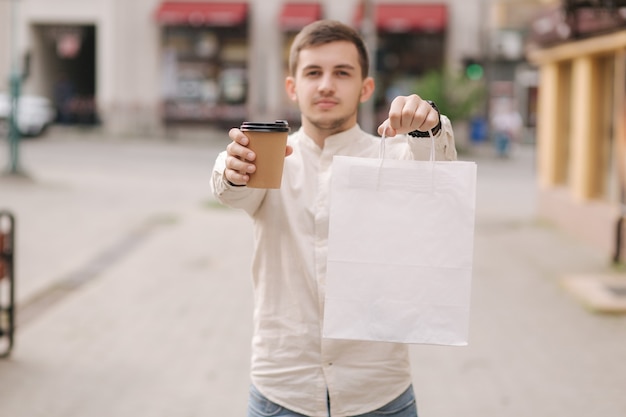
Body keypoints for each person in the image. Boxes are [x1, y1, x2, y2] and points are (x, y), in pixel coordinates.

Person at [211, 20, 457, 417]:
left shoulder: (393, 158)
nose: (326, 85)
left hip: (378, 390)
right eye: (313, 73)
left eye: (342, 72)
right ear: (292, 87)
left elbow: (440, 172)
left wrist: (429, 125)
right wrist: (230, 166)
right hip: (283, 387)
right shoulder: (273, 161)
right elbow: (233, 187)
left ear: (366, 88)